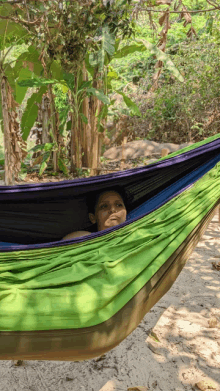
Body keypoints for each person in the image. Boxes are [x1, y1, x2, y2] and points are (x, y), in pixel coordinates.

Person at [63, 189, 127, 240]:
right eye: (104, 206)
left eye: (119, 205)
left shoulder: (135, 233)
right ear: (93, 218)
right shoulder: (85, 238)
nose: (113, 210)